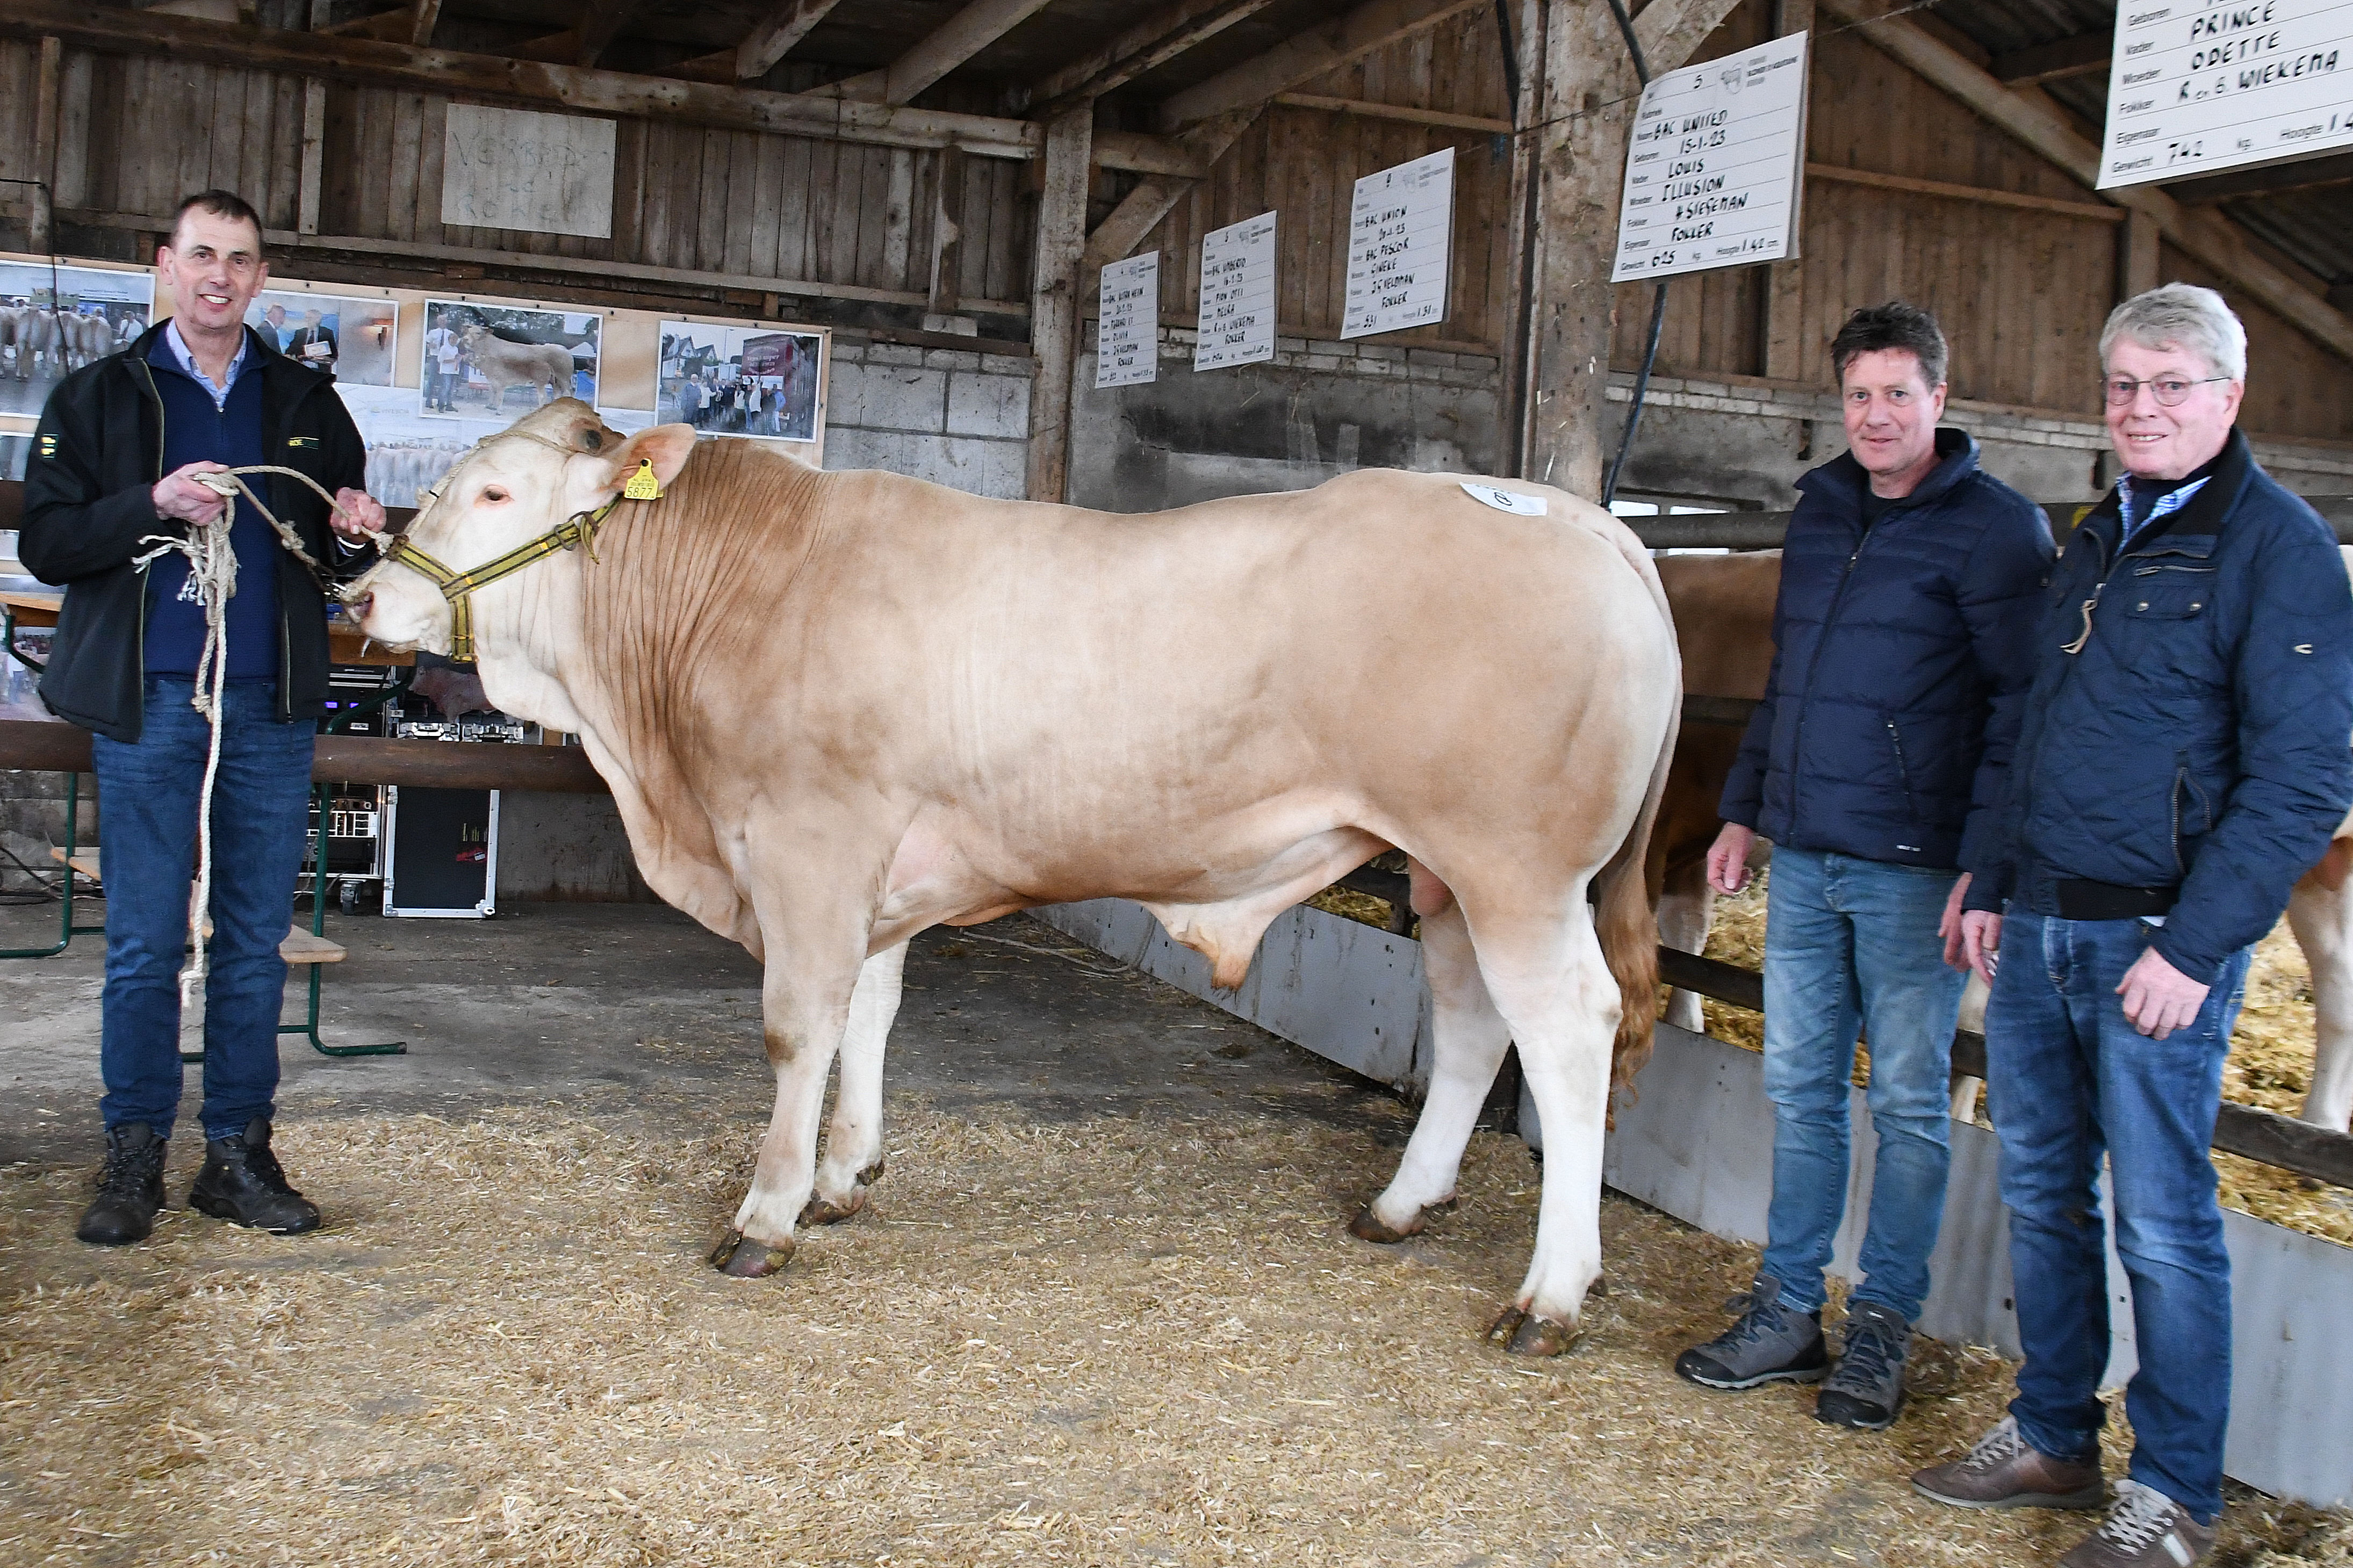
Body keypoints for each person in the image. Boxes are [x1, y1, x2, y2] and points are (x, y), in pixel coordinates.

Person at [1914, 286, 2353, 1566]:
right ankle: (2052, 1437)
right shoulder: (2096, 533)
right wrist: (1988, 878)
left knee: (2161, 1221)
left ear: (2227, 395)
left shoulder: (2276, 551)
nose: (2141, 408)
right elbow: (2032, 729)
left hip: (2152, 943)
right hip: (2041, 921)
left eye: (2169, 385)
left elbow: (2300, 782)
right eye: (2122, 386)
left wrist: (2196, 947)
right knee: (2045, 1191)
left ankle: (2171, 1498)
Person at [1673, 301, 2053, 1429]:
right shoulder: (1823, 512)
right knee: (1796, 1090)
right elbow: (1789, 681)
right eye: (1856, 395)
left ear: (1939, 399)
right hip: (1804, 859)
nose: (1875, 416)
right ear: (1834, 403)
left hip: (1911, 872)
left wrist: (1981, 868)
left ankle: (1880, 1326)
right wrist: (1742, 812)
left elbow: (2017, 709)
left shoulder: (1994, 531)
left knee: (1905, 1101)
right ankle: (1787, 1310)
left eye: (1897, 394)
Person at [19, 189, 387, 1248]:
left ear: (260, 278)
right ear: (165, 266)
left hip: (265, 705)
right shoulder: (98, 396)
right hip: (150, 704)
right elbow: (46, 542)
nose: (219, 275)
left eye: (239, 259)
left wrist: (357, 530)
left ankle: (236, 1151)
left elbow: (338, 558)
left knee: (253, 939)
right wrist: (152, 504)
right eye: (201, 255)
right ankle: (134, 1150)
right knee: (141, 938)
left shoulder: (306, 401)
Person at [286, 307, 337, 375]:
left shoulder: (327, 333)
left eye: (310, 318)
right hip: (303, 369)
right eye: (306, 318)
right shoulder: (300, 333)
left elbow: (334, 355)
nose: (307, 321)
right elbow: (290, 351)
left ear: (318, 320)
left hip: (321, 370)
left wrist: (322, 358)